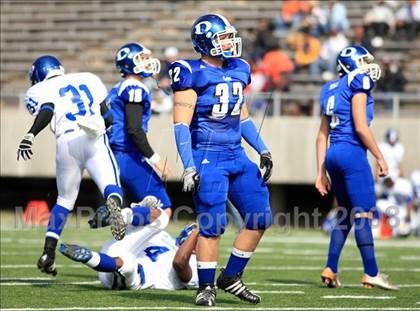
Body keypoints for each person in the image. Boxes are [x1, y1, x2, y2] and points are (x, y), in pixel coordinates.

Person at [169, 14, 273, 306]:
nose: (230, 42)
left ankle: (231, 276)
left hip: (236, 155)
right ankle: (206, 287)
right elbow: (180, 124)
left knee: (259, 216)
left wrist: (263, 150)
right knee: (212, 224)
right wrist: (188, 165)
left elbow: (242, 116)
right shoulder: (190, 71)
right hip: (207, 156)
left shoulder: (240, 68)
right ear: (206, 43)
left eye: (229, 36)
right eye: (223, 38)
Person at [17, 55, 125, 276]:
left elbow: (47, 108)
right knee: (111, 185)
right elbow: (107, 116)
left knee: (64, 200)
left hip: (65, 141)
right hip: (93, 135)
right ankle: (110, 206)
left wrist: (31, 134)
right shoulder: (89, 78)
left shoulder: (38, 90)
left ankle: (48, 253)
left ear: (38, 74)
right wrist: (107, 128)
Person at [315, 45, 398, 290]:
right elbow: (361, 126)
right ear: (351, 64)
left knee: (345, 213)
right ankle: (371, 272)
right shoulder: (358, 80)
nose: (367, 66)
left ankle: (330, 267)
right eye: (363, 61)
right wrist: (380, 156)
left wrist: (320, 171)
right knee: (362, 213)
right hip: (352, 153)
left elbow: (321, 136)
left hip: (333, 155)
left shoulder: (328, 88)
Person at [60, 197, 197, 290]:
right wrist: (147, 208)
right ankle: (120, 215)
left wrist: (198, 231)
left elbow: (180, 263)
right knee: (161, 218)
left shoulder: (196, 263)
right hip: (114, 252)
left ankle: (90, 257)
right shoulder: (166, 239)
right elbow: (158, 218)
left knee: (128, 264)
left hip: (132, 278)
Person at [106, 43, 173, 222]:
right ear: (129, 63)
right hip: (127, 155)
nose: (148, 62)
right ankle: (122, 216)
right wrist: (158, 162)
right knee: (163, 209)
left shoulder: (117, 88)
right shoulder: (134, 87)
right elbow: (134, 130)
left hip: (113, 155)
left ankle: (126, 242)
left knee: (148, 208)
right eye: (143, 58)